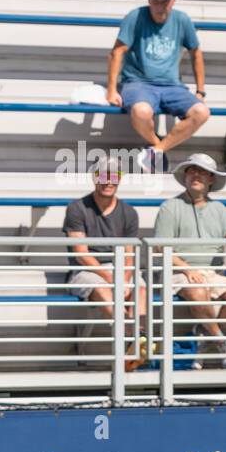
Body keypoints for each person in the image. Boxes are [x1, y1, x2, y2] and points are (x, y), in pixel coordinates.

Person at [152, 154, 226, 369]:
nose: (196, 175)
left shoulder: (220, 209)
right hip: (177, 270)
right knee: (198, 290)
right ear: (185, 176)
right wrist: (188, 270)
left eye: (202, 172)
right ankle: (223, 344)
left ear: (211, 179)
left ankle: (204, 336)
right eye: (191, 170)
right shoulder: (170, 207)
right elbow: (161, 248)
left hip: (212, 273)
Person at [106, 0, 210, 174]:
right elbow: (117, 52)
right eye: (155, 0)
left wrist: (200, 91)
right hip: (138, 82)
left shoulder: (182, 19)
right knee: (141, 112)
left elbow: (196, 52)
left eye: (164, 0)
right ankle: (157, 147)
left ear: (174, 0)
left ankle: (156, 151)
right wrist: (111, 90)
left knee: (202, 112)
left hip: (172, 86)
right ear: (148, 0)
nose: (159, 6)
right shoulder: (135, 17)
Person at [63, 158, 148, 371]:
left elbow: (129, 254)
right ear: (95, 178)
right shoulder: (77, 208)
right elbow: (82, 255)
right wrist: (113, 279)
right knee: (103, 290)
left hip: (119, 269)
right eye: (103, 175)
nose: (109, 181)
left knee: (140, 287)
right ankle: (134, 336)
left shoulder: (129, 212)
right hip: (86, 270)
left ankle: (138, 337)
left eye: (114, 176)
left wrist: (125, 278)